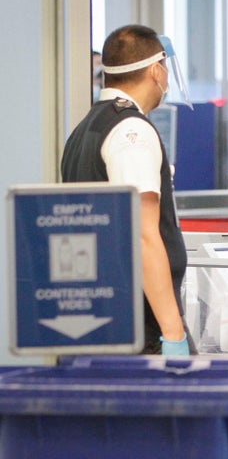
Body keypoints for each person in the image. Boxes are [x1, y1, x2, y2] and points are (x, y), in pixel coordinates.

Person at [61, 24, 193, 355]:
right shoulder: (130, 130)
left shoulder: (87, 127)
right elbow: (143, 235)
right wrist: (173, 332)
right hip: (141, 324)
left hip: (105, 316)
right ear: (155, 69)